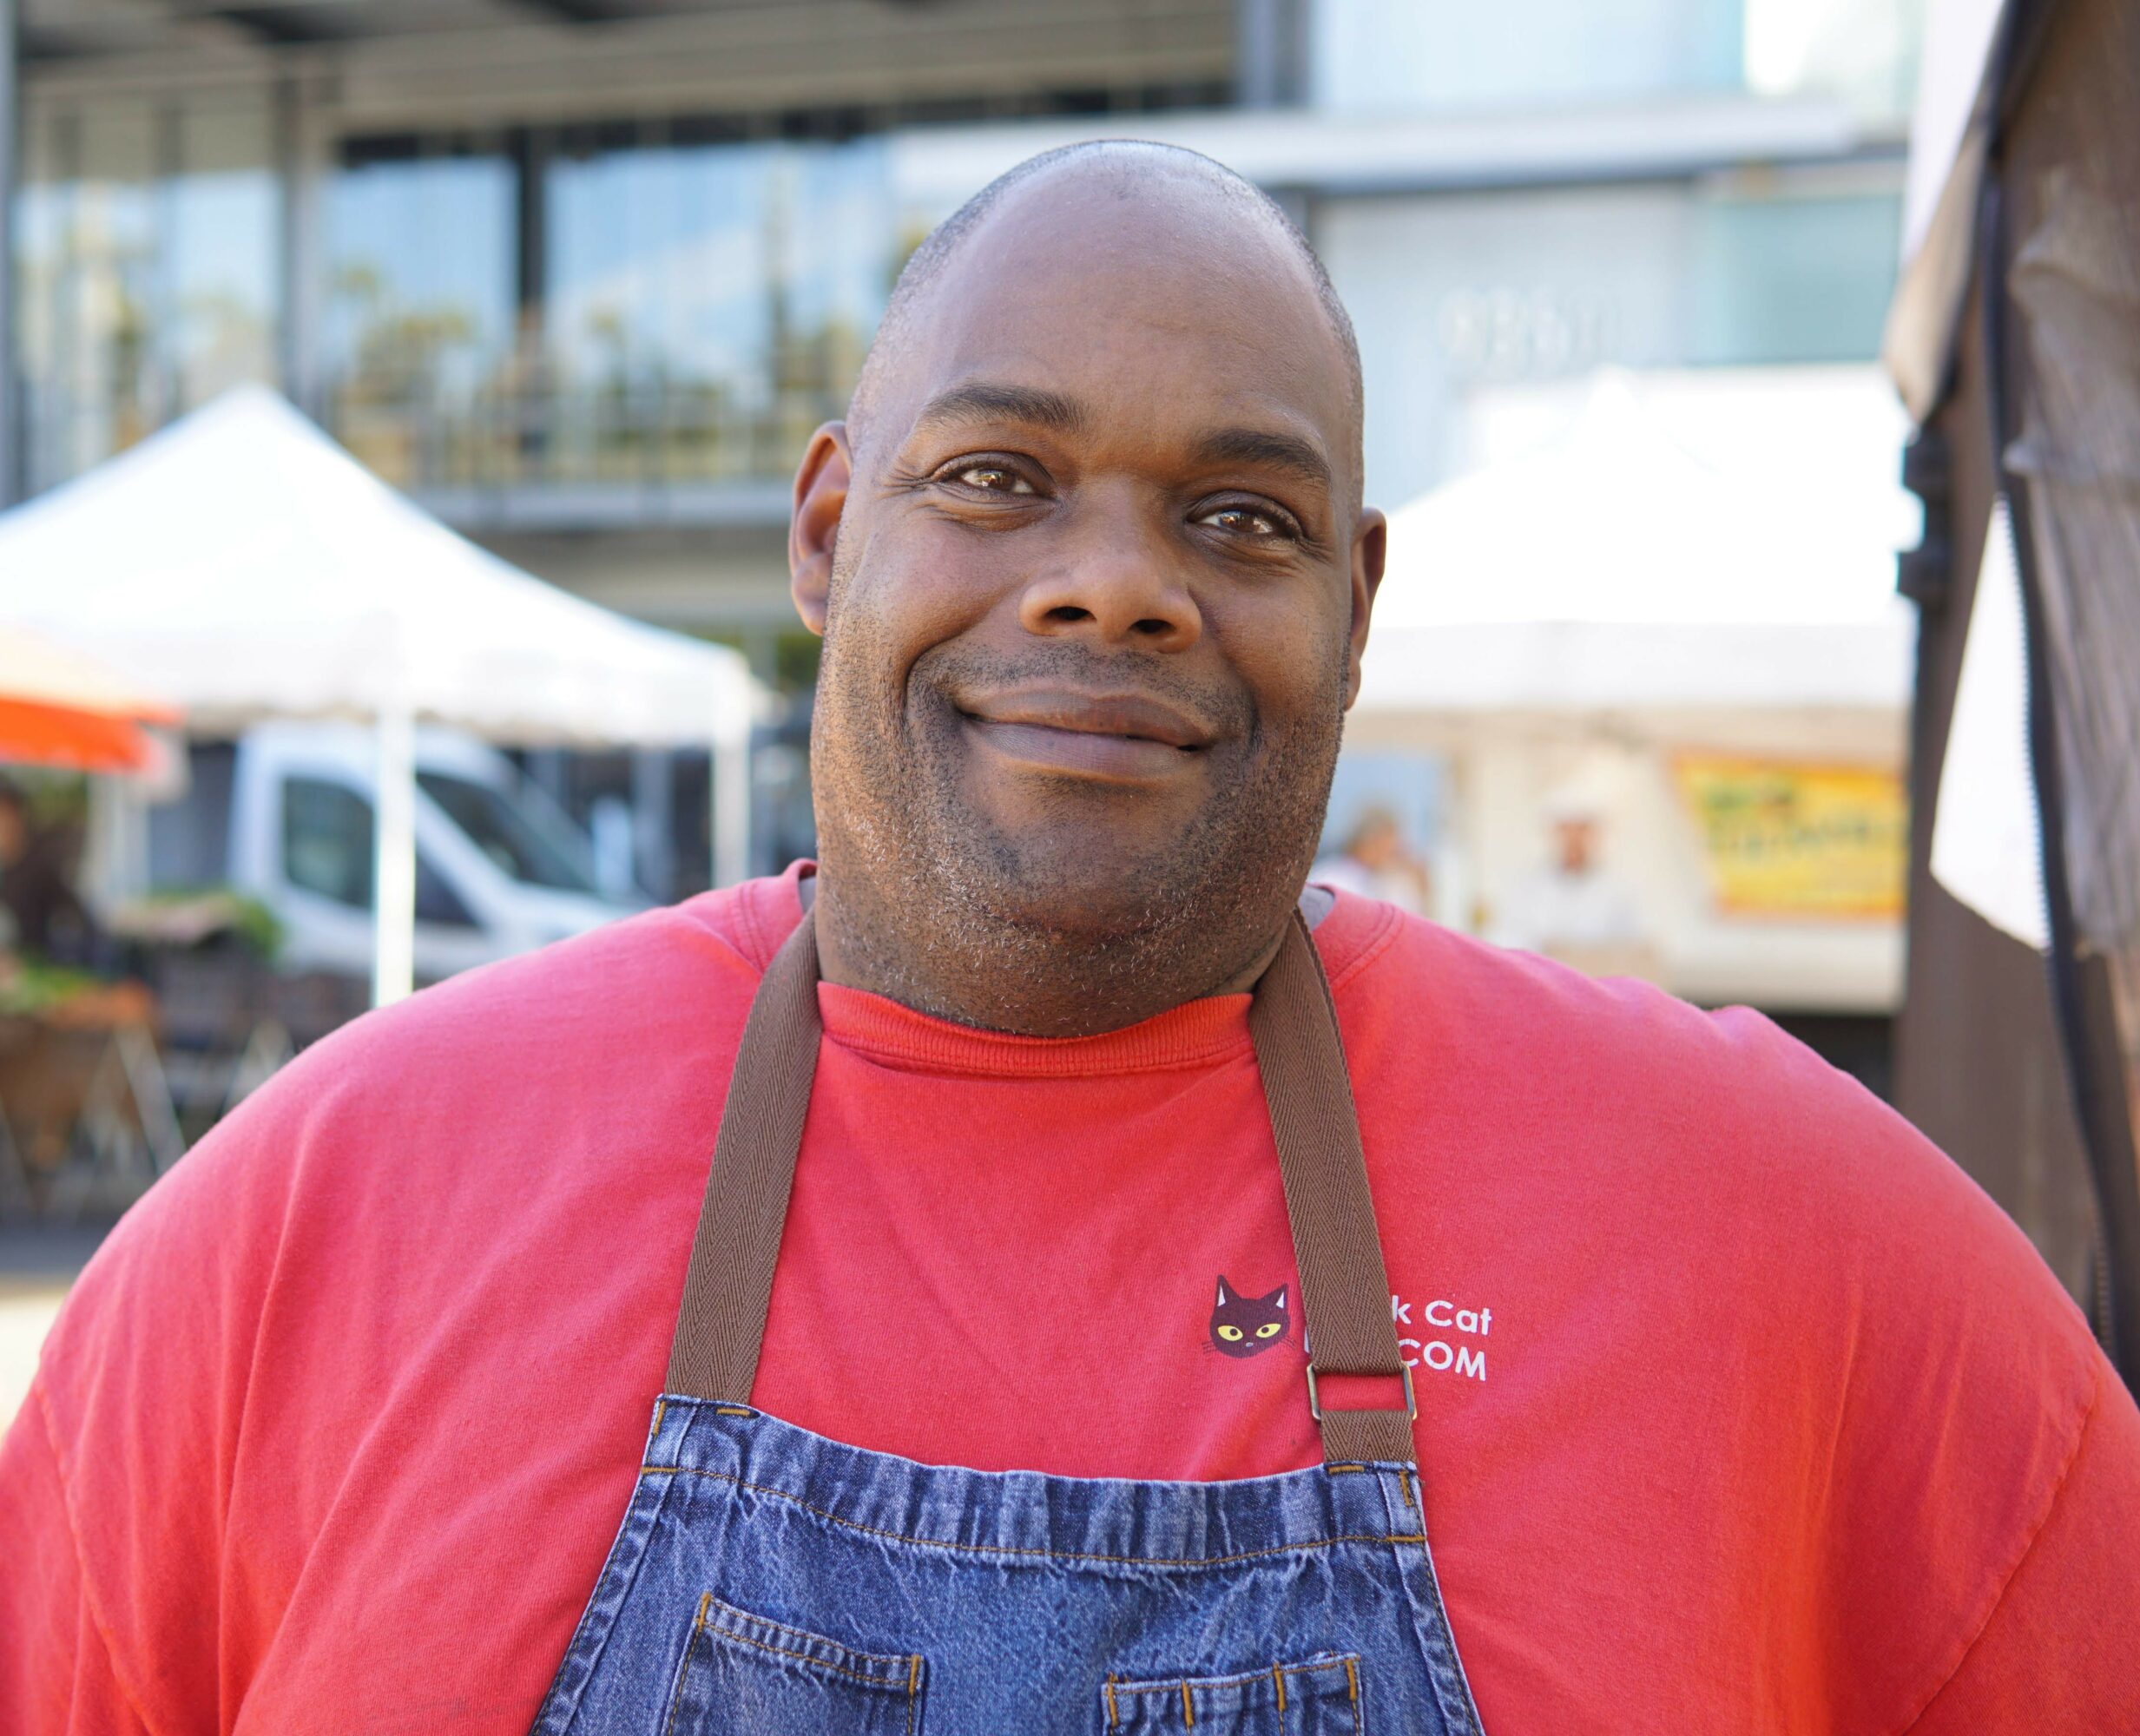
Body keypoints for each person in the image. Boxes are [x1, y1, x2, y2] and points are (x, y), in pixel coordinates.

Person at [3, 141, 2137, 1734]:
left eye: (1240, 516)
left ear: (1357, 604)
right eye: (996, 475)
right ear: (826, 531)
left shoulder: (1771, 1240)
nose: (1112, 582)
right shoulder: (318, 1224)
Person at [1311, 803, 1432, 915]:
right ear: (1373, 841)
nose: (1393, 854)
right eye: (1389, 846)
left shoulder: (1374, 879)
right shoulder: (1334, 878)